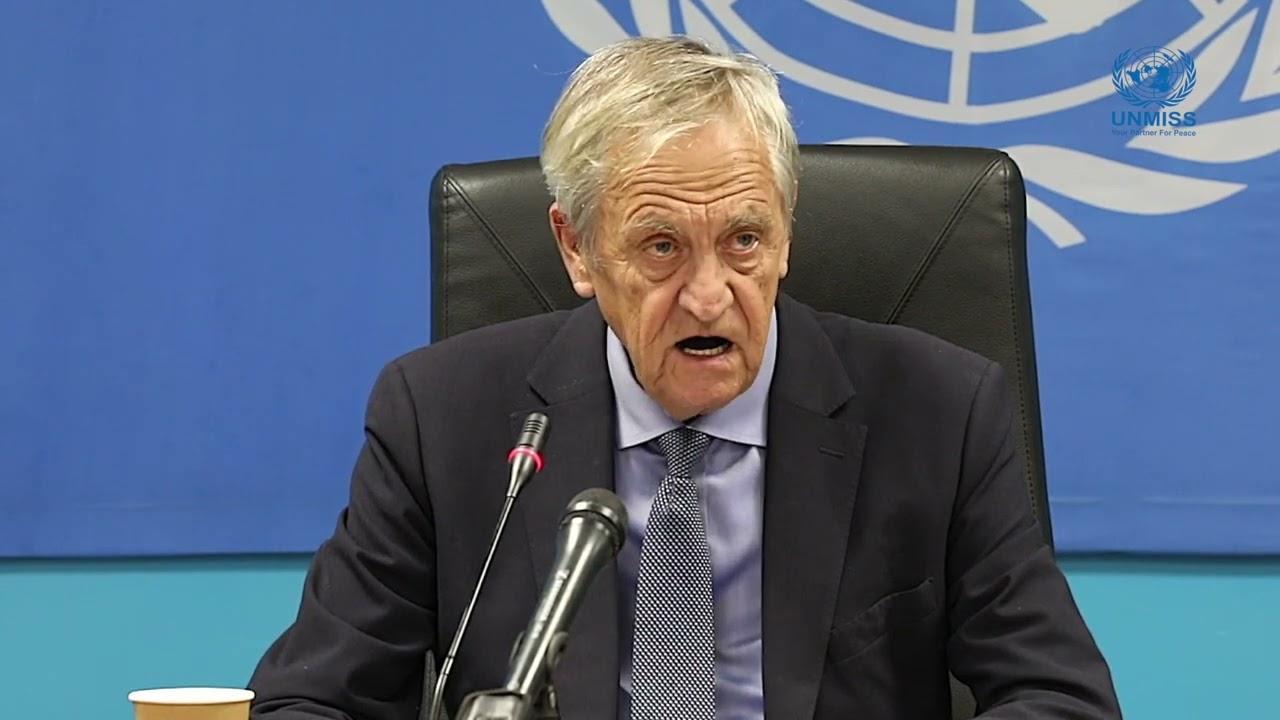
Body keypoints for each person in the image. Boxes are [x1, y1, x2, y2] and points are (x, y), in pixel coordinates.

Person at [249, 36, 1121, 719]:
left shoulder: (939, 412)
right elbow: (311, 700)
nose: (709, 295)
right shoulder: (441, 419)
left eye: (743, 240)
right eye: (661, 246)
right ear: (577, 249)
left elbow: (1060, 699)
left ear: (786, 233)